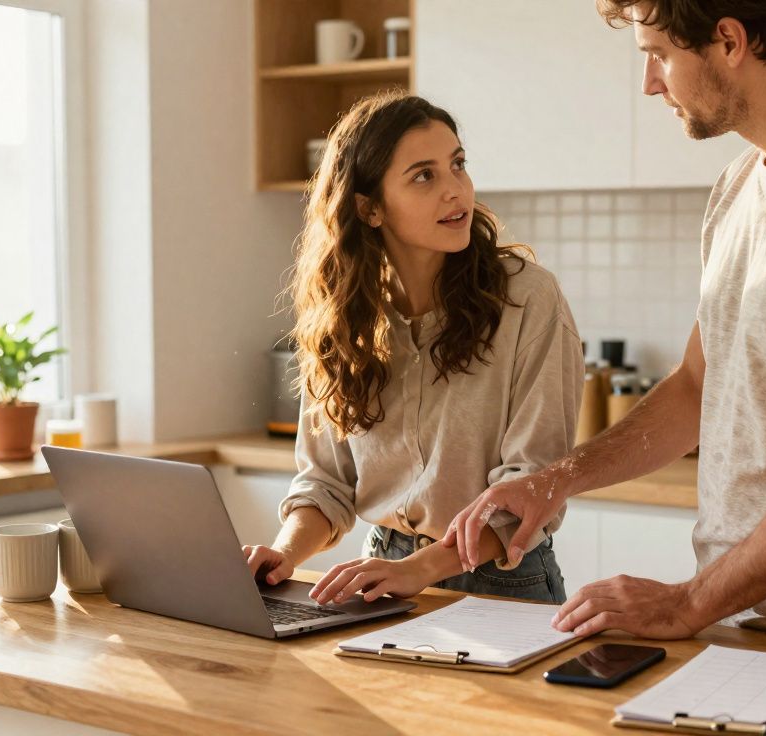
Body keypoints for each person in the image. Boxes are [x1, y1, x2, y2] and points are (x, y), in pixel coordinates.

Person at [445, 0, 766, 652]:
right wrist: (556, 481)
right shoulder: (739, 185)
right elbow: (698, 384)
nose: (650, 84)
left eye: (659, 55)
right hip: (743, 616)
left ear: (728, 41)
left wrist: (689, 603)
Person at [243, 90, 583, 605]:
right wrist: (285, 554)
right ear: (369, 207)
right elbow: (327, 483)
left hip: (503, 581)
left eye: (458, 165)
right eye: (424, 175)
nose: (456, 191)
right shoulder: (345, 319)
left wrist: (421, 568)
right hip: (386, 574)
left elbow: (531, 486)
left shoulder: (527, 298)